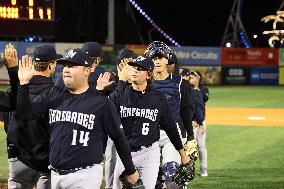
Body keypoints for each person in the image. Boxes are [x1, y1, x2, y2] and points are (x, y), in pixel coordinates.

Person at [16, 48, 139, 189]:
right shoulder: (54, 95)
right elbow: (25, 114)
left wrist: (130, 170)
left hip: (85, 176)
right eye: (65, 66)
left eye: (73, 66)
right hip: (55, 175)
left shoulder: (101, 102)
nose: (67, 69)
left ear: (87, 70)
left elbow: (118, 137)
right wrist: (24, 83)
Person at [97, 55, 191, 189]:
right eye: (134, 68)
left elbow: (170, 128)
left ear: (148, 75)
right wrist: (100, 92)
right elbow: (100, 112)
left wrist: (183, 155)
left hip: (149, 154)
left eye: (140, 69)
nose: (135, 71)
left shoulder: (158, 99)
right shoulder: (119, 95)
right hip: (125, 154)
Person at [6, 45, 62, 189]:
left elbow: (7, 124)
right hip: (45, 163)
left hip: (18, 159)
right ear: (50, 65)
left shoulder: (16, 90)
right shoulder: (56, 95)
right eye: (55, 62)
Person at [146, 41, 195, 189]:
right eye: (153, 58)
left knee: (171, 174)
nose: (157, 61)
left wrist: (190, 136)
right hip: (148, 135)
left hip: (171, 135)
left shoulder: (181, 84)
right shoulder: (143, 83)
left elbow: (186, 111)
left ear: (167, 59)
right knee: (150, 180)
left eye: (160, 57)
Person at [104, 47, 137, 189]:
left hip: (131, 126)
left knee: (126, 157)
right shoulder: (110, 79)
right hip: (112, 126)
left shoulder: (135, 79)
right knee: (111, 158)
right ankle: (110, 185)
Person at [189, 70, 208, 177]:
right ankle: (190, 169)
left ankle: (203, 169)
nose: (191, 77)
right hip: (189, 122)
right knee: (189, 147)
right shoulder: (186, 89)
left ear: (198, 78)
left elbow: (205, 98)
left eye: (193, 76)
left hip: (200, 121)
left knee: (201, 145)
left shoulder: (203, 89)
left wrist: (199, 121)